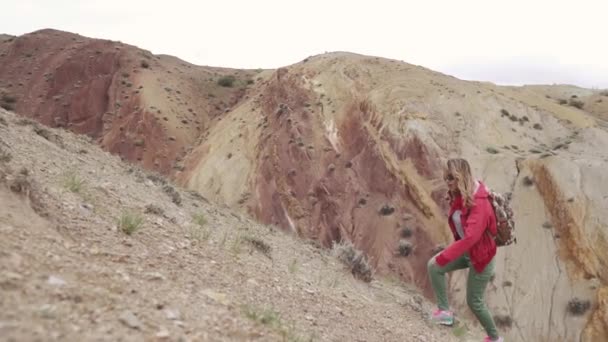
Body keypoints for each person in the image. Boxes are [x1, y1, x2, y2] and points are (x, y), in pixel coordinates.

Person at [427, 158, 503, 342]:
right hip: (468, 252)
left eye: (451, 178)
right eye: (446, 177)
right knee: (433, 266)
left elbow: (471, 237)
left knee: (474, 302)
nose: (448, 181)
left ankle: (495, 338)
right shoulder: (461, 194)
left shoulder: (481, 202)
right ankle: (444, 312)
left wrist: (446, 255)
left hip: (482, 257)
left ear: (462, 177)